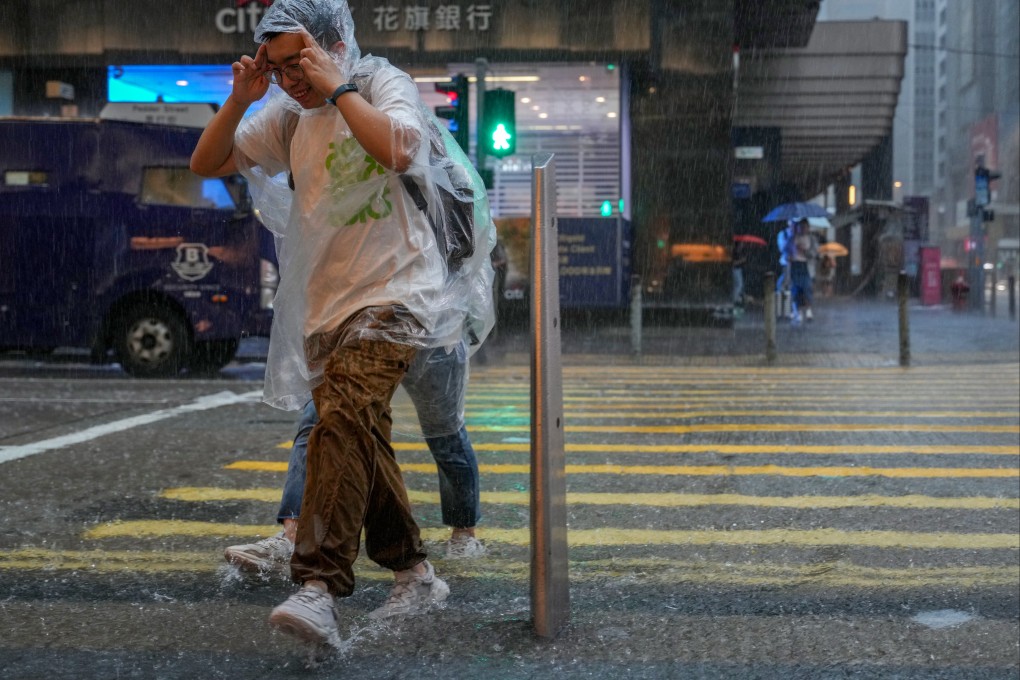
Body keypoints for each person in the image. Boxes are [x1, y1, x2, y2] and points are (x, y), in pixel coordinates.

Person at [190, 0, 496, 648]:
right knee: (361, 434)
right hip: (327, 302)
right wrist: (243, 99)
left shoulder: (380, 83)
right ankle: (413, 570)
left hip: (398, 292)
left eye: (296, 60)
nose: (288, 79)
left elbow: (400, 147)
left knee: (342, 418)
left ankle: (319, 584)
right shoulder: (284, 114)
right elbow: (208, 163)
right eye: (275, 68)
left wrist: (337, 86)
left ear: (334, 44)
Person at [224, 340, 486, 575]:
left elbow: (467, 288)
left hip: (432, 333)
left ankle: (462, 532)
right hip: (369, 328)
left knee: (445, 434)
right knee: (319, 417)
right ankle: (293, 535)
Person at [789, 218, 817, 324]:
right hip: (795, 265)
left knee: (807, 289)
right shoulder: (793, 238)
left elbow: (814, 254)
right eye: (801, 227)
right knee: (796, 290)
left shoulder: (811, 239)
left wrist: (804, 251)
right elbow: (787, 250)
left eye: (805, 227)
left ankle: (809, 310)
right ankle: (799, 312)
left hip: (806, 266)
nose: (803, 229)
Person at [775, 219, 795, 318]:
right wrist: (789, 239)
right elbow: (782, 248)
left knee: (791, 286)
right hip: (785, 263)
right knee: (784, 285)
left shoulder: (797, 235)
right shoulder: (783, 234)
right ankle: (783, 309)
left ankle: (789, 310)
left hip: (795, 263)